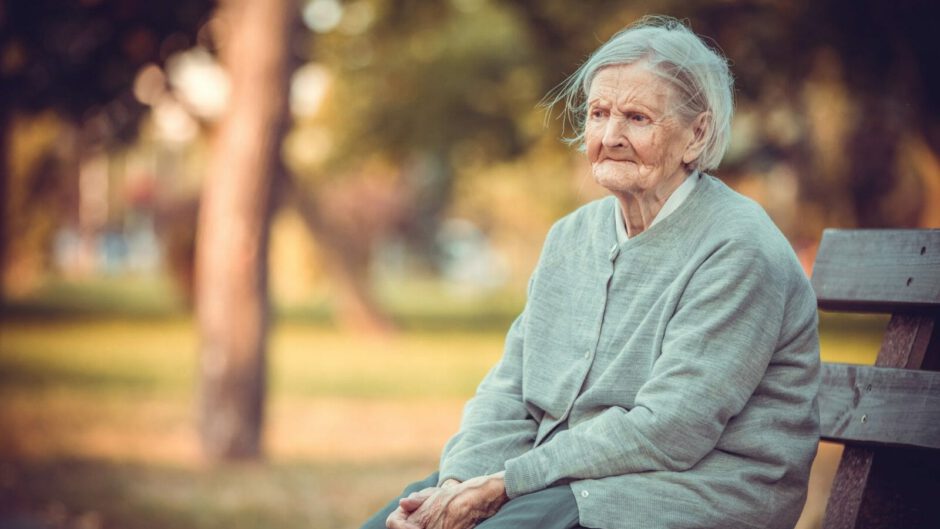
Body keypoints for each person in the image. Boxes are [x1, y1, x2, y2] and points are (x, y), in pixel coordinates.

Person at [362, 15, 820, 529]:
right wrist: (459, 480)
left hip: (698, 488)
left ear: (697, 134)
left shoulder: (738, 247)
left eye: (638, 118)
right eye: (599, 114)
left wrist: (505, 483)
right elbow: (509, 390)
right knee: (398, 522)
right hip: (568, 477)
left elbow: (669, 430)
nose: (611, 135)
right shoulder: (571, 238)